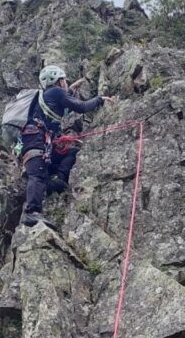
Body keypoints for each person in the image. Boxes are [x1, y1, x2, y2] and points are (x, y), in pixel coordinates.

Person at [20, 65, 115, 226]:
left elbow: (60, 104)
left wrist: (70, 90)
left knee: (71, 152)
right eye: (63, 80)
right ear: (58, 80)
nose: (65, 82)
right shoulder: (55, 92)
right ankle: (33, 212)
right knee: (36, 175)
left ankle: (57, 182)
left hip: (41, 142)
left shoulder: (49, 95)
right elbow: (81, 107)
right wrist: (100, 99)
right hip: (35, 142)